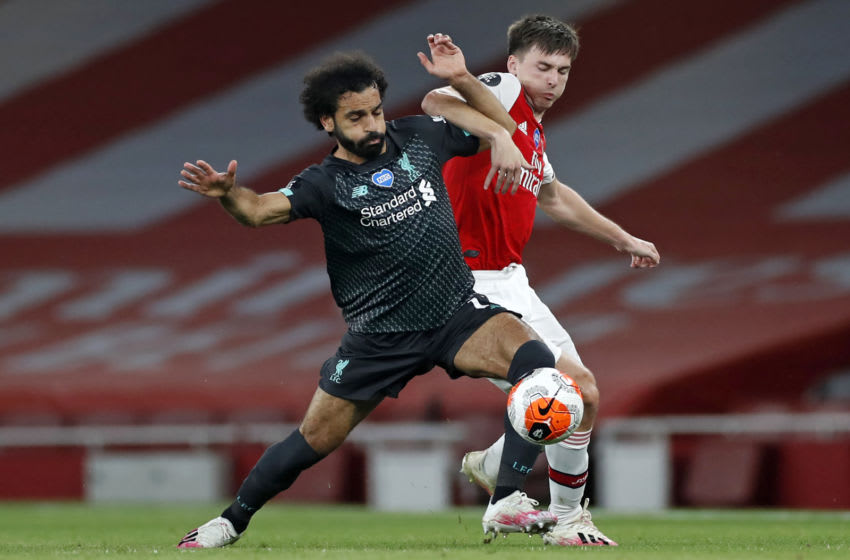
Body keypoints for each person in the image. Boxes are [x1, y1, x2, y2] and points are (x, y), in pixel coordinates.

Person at [175, 41, 570, 549]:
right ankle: (228, 523)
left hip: (455, 313)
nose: (373, 125)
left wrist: (466, 79)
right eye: (356, 117)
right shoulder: (323, 183)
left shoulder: (422, 137)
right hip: (380, 336)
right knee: (311, 442)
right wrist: (229, 194)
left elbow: (505, 123)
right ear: (327, 123)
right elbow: (258, 210)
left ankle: (505, 501)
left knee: (539, 368)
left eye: (376, 111)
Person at [420, 16, 660, 547]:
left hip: (511, 280)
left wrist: (623, 238)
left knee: (585, 395)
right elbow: (434, 104)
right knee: (552, 391)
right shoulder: (502, 95)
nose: (553, 79)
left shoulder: (530, 126)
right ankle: (533, 504)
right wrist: (495, 131)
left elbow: (552, 196)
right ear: (513, 65)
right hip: (468, 281)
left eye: (563, 70)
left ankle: (549, 504)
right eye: (542, 67)